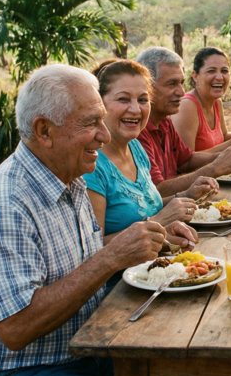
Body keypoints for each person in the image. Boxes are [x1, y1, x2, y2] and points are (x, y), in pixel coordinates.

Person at [0, 64, 213, 376]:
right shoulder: (3, 205)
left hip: (83, 350)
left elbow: (83, 267)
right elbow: (15, 328)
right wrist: (111, 257)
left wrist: (154, 239)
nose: (104, 135)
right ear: (44, 130)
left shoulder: (70, 177)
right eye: (91, 123)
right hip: (12, 375)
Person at [84, 59, 217, 248]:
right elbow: (93, 250)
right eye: (123, 99)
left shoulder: (136, 148)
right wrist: (158, 221)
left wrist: (185, 195)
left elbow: (144, 205)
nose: (136, 109)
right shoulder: (91, 166)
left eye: (143, 100)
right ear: (99, 104)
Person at [135, 47, 231, 197]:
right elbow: (157, 191)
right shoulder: (137, 130)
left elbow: (187, 160)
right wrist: (214, 168)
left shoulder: (164, 121)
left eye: (181, 83)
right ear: (147, 86)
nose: (181, 92)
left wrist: (227, 155)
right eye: (172, 84)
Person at [172, 47, 231, 152]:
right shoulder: (187, 106)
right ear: (195, 76)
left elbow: (223, 136)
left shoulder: (216, 102)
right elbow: (186, 162)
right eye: (211, 71)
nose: (219, 77)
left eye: (224, 71)